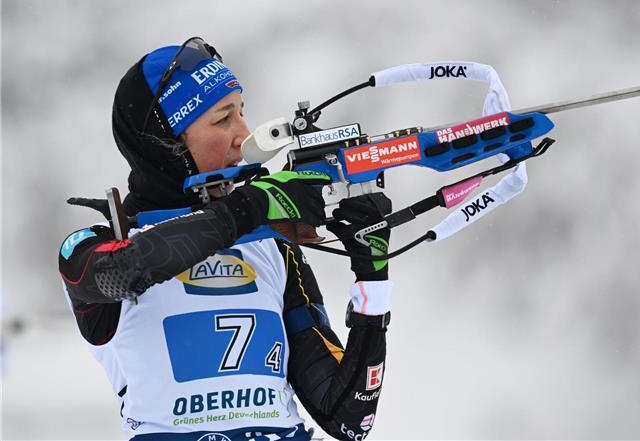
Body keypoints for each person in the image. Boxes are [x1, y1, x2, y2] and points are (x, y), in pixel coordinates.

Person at [58, 37, 393, 441]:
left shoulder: (271, 246)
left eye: (242, 114)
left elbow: (349, 418)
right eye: (222, 119)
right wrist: (250, 208)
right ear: (166, 142)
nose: (244, 136)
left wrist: (372, 278)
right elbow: (126, 270)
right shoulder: (94, 246)